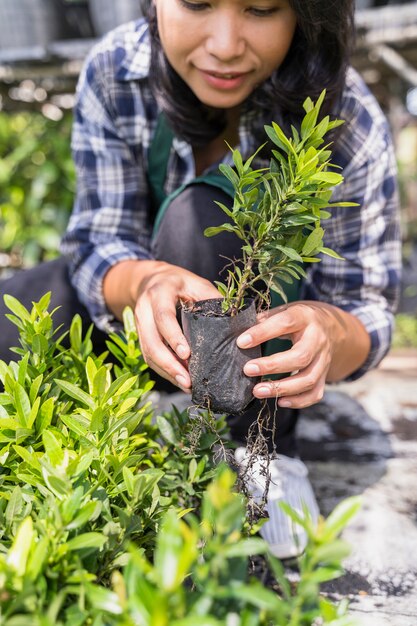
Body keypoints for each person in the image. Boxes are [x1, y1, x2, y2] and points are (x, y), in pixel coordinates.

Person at [0, 0, 401, 558]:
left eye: (260, 9)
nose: (225, 44)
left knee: (204, 220)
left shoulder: (343, 114)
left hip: (261, 373)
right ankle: (151, 420)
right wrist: (145, 283)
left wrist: (326, 332)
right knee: (17, 312)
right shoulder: (118, 70)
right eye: (196, 3)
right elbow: (99, 241)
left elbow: (365, 305)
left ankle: (258, 455)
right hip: (138, 324)